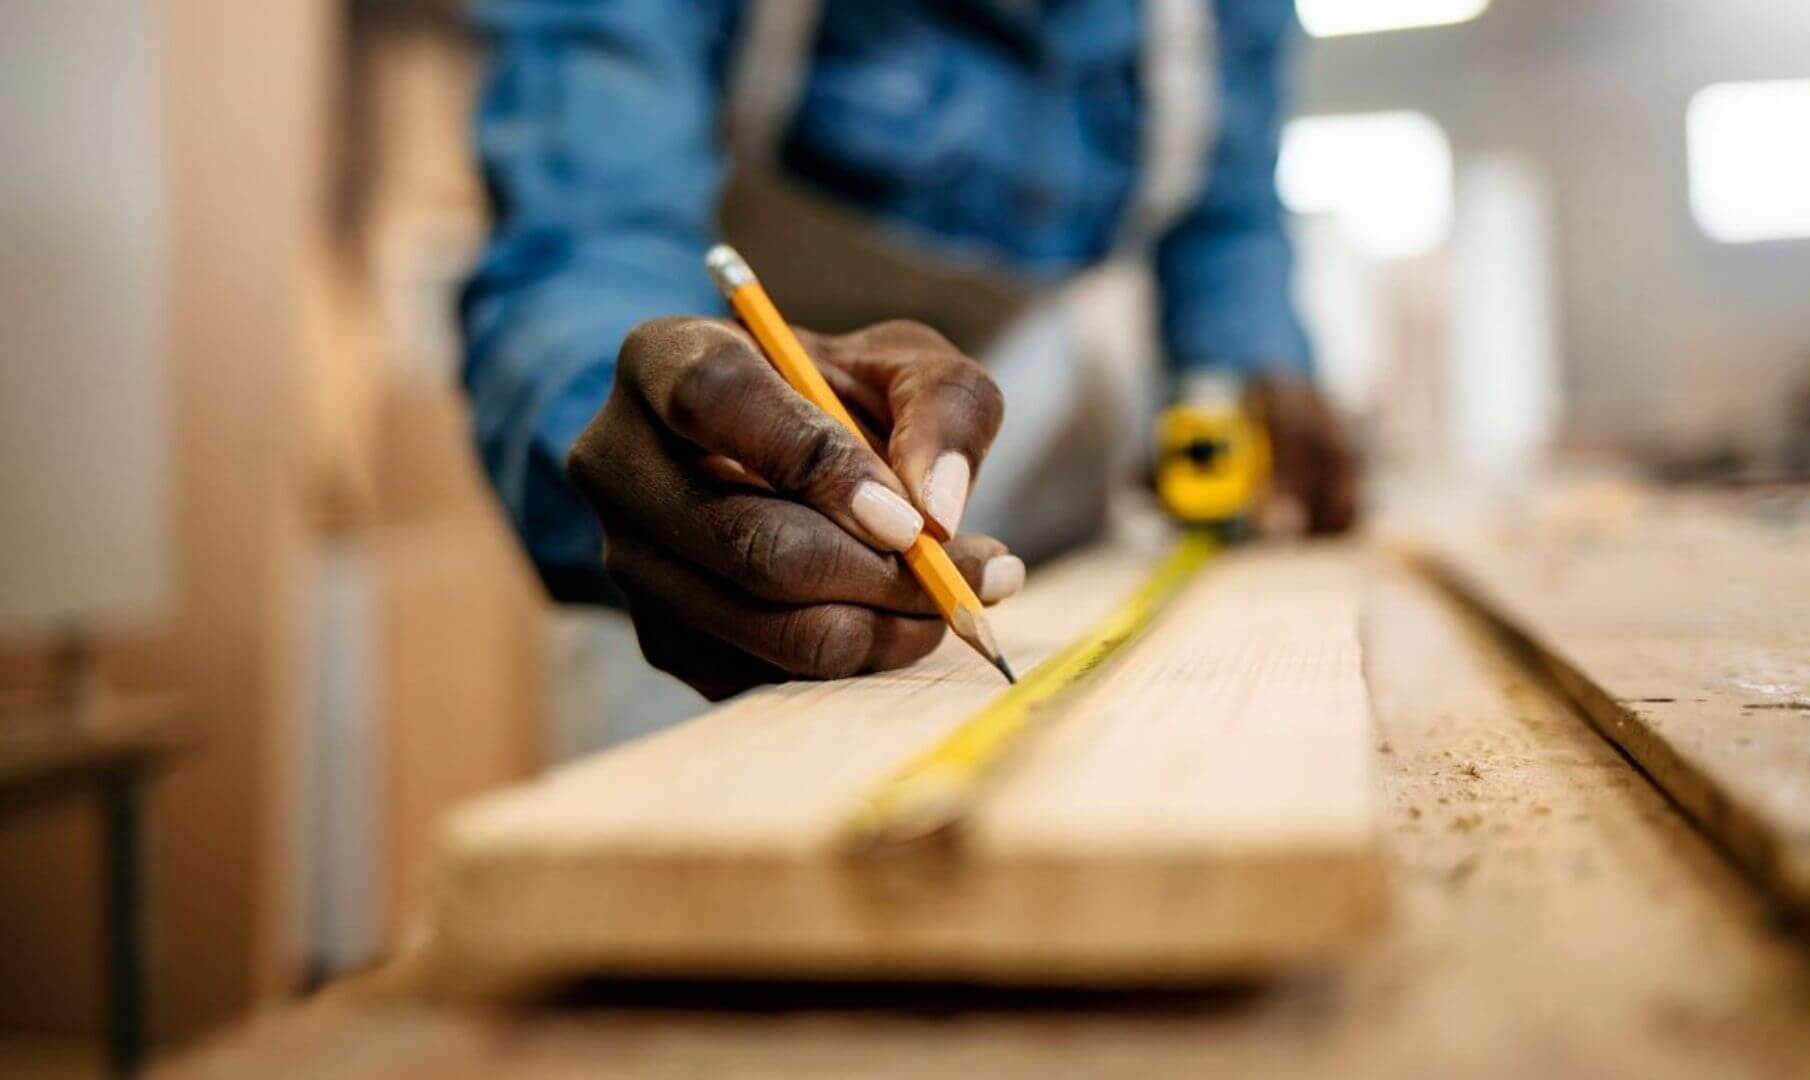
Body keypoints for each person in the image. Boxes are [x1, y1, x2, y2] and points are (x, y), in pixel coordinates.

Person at [462, 0, 1357, 700]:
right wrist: (647, 437)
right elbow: (582, 242)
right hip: (727, 523)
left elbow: (1225, 212)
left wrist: (1251, 366)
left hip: (1046, 493)